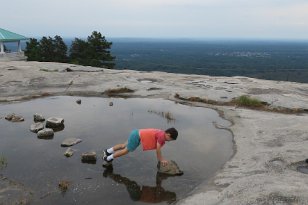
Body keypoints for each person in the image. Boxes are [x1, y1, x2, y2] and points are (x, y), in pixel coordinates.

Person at [103, 127, 178, 166]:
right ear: (168, 135)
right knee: (126, 150)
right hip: (137, 137)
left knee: (123, 145)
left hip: (136, 132)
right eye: (170, 139)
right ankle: (108, 158)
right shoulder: (162, 137)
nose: (169, 141)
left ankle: (107, 151)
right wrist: (161, 160)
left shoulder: (161, 132)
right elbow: (158, 149)